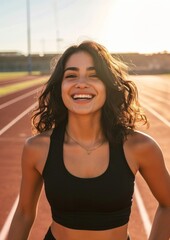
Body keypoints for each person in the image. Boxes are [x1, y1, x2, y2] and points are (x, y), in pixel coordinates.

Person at [8, 41, 170, 240]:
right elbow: (24, 214)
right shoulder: (37, 148)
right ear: (60, 87)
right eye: (71, 75)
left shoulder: (139, 147)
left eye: (94, 75)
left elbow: (168, 203)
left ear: (108, 85)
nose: (81, 83)